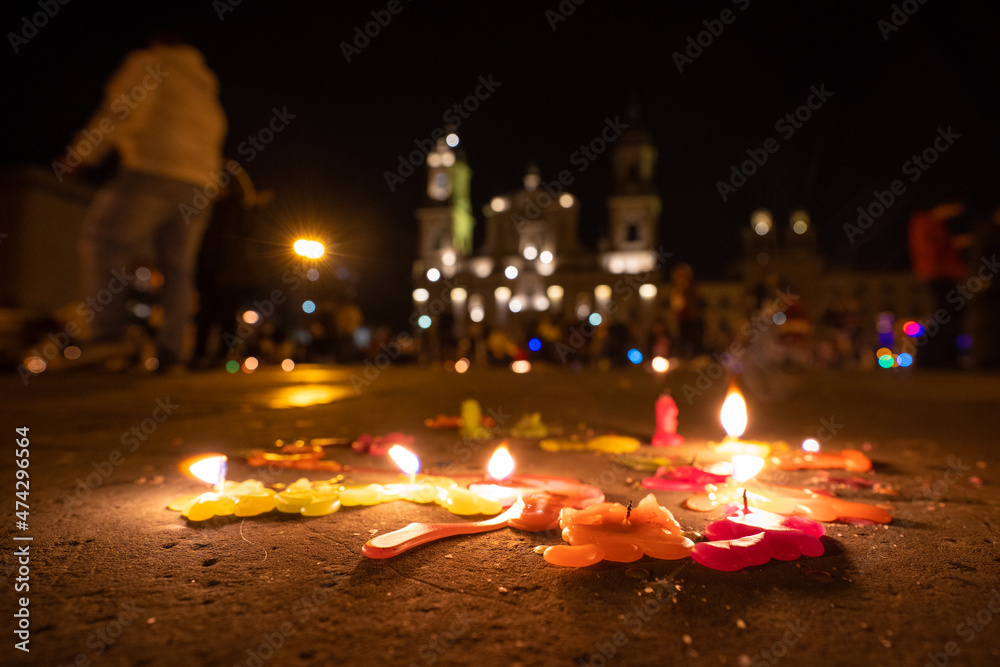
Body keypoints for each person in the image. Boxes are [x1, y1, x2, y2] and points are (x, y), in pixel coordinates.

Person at [61, 31, 227, 371]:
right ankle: (172, 350)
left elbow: (123, 110)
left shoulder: (152, 64)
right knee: (178, 269)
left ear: (158, 41)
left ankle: (108, 336)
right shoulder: (206, 90)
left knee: (103, 240)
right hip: (199, 186)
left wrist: (82, 153)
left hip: (153, 172)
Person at [908, 199, 970, 368]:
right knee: (948, 315)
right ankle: (935, 357)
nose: (955, 213)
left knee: (947, 314)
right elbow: (933, 250)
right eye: (953, 208)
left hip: (941, 274)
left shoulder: (931, 224)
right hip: (939, 275)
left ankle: (939, 357)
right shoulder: (926, 223)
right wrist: (954, 245)